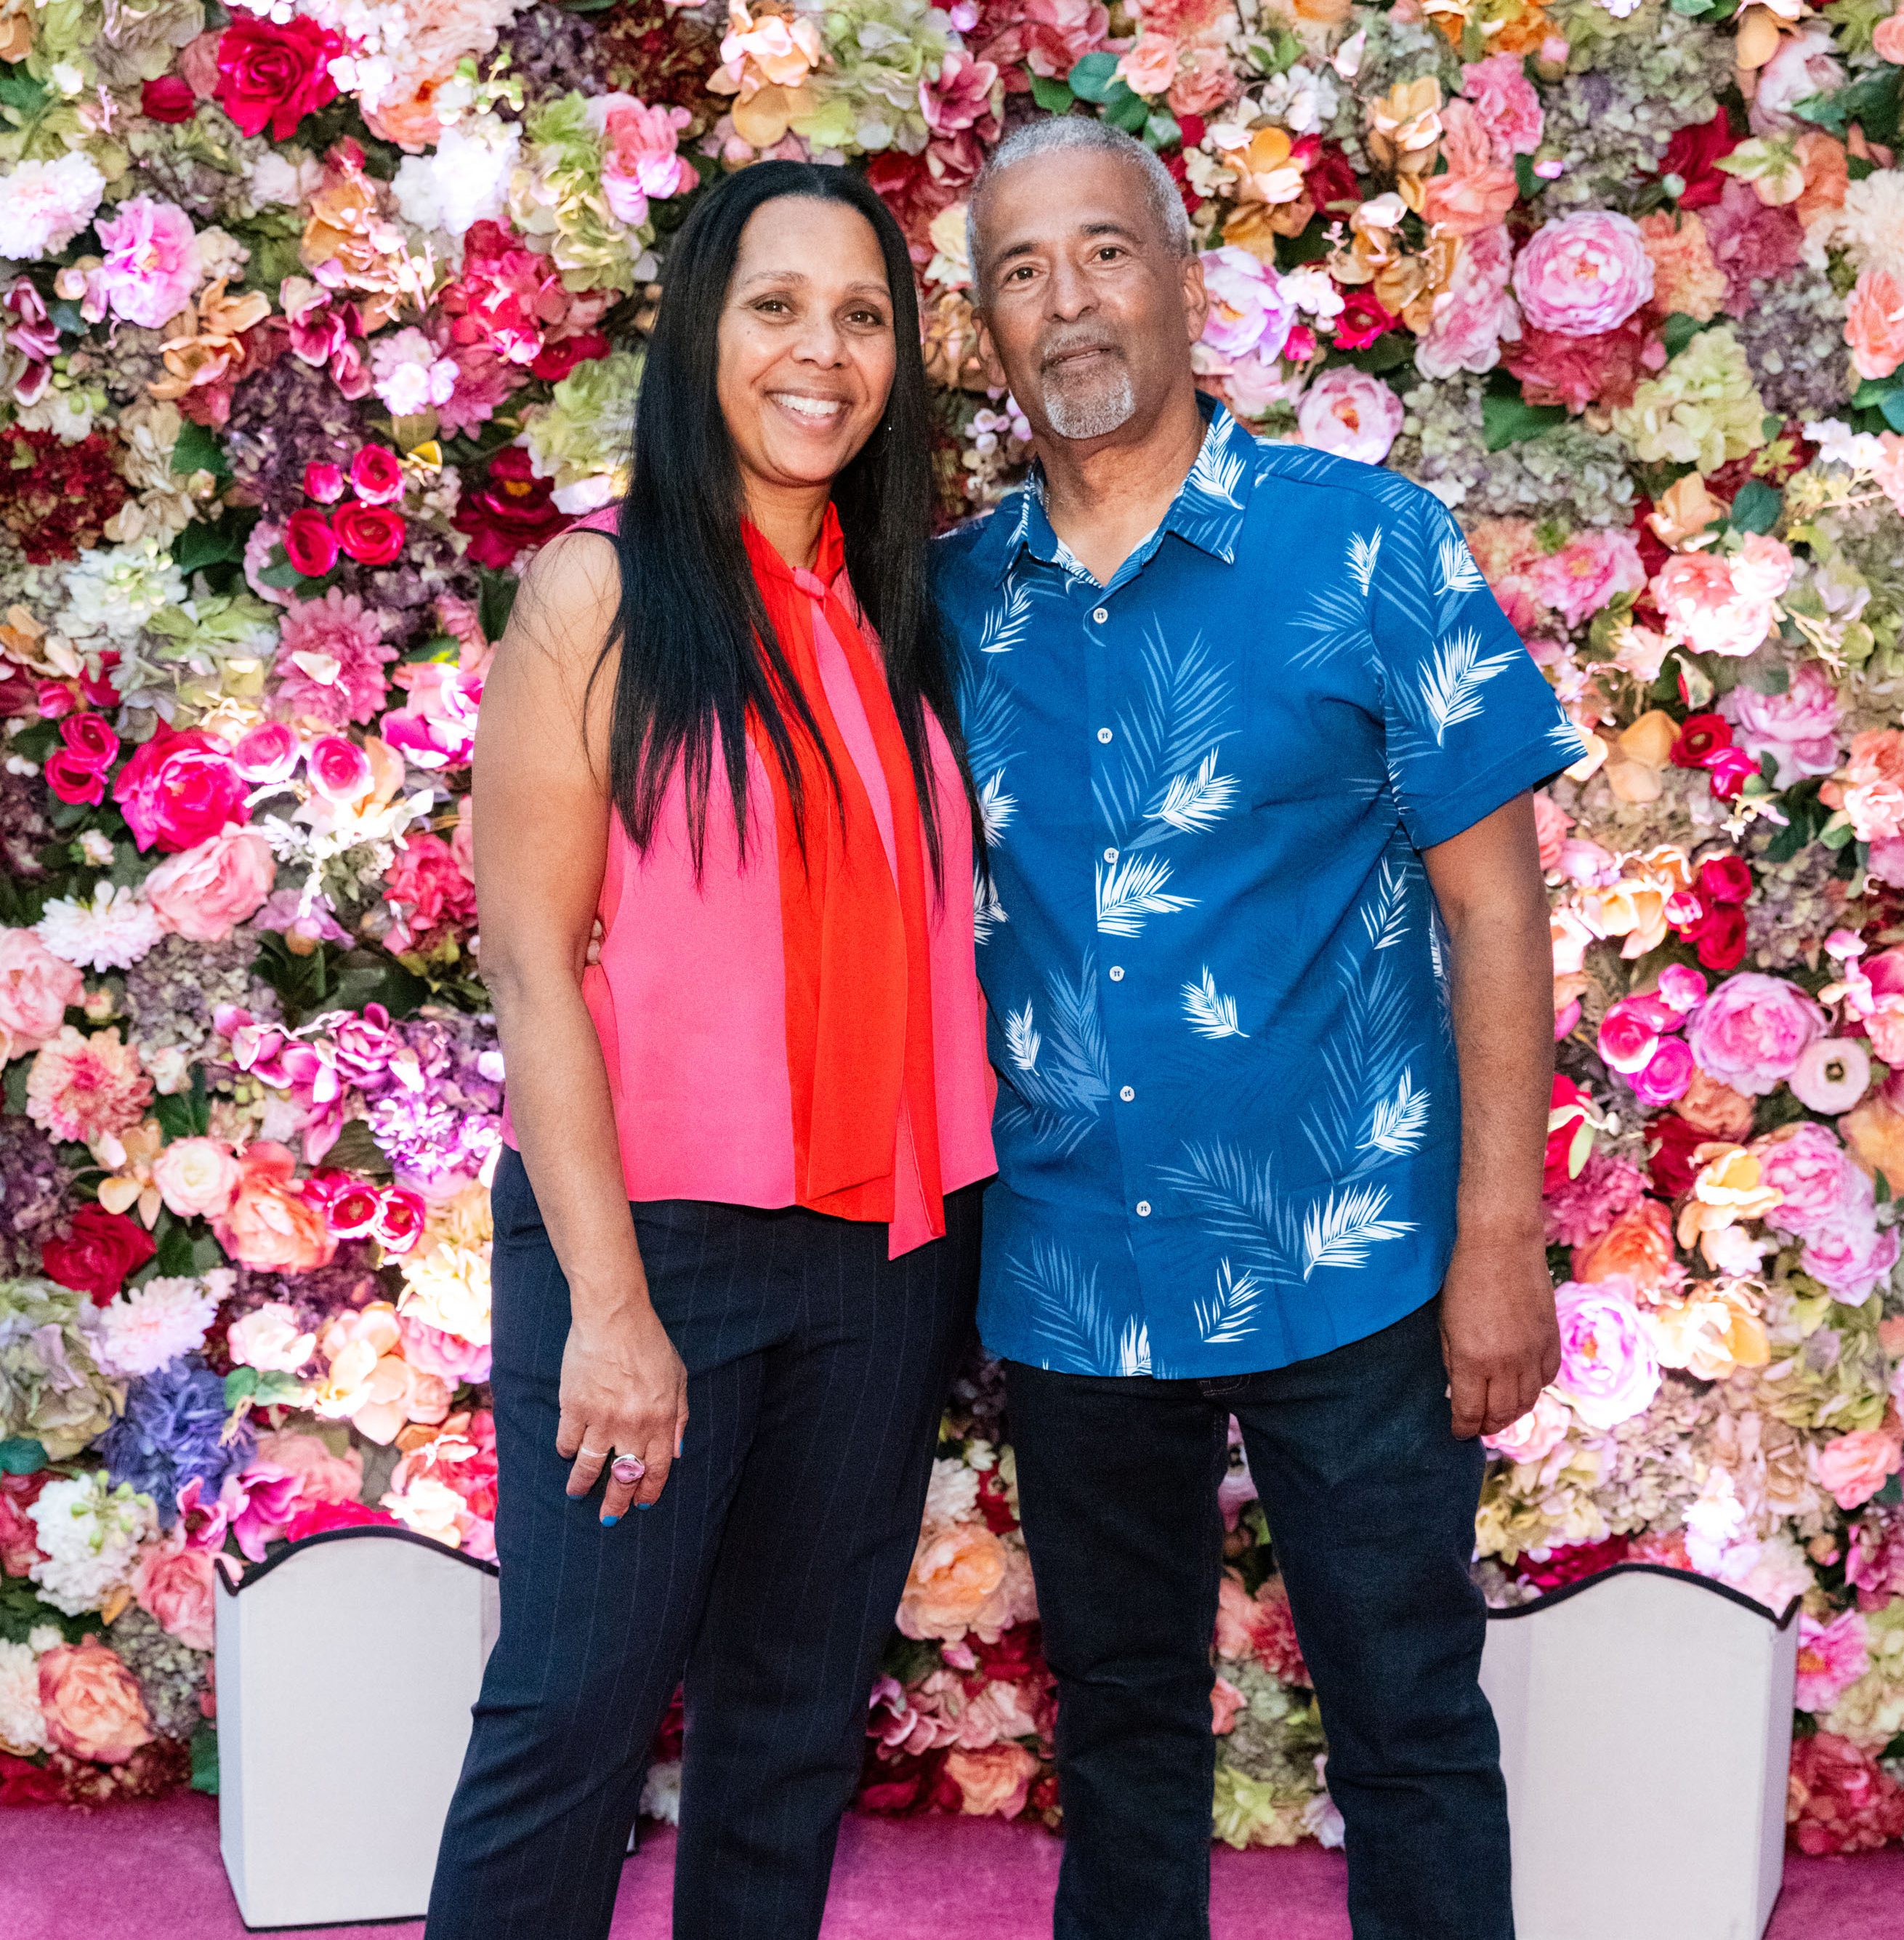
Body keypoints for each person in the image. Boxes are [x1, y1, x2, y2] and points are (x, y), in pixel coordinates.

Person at [931, 118, 1576, 1940]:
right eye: (1017, 272)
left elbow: (1491, 904)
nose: (1066, 303)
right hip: (1069, 1271)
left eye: (1103, 254)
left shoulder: (1364, 542)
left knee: (1406, 1727)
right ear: (983, 329)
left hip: (1349, 1259)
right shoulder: (952, 602)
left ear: (1185, 281)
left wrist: (1498, 1240)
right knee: (1123, 1738)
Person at [426, 162, 994, 1940]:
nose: (818, 352)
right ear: (698, 329)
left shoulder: (894, 612)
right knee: (571, 1723)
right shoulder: (599, 592)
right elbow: (527, 957)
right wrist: (606, 1309)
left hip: (886, 1259)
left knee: (791, 1734)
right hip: (654, 1249)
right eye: (774, 305)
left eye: (859, 314)